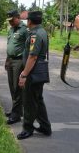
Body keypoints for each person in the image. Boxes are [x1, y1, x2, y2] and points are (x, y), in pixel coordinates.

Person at [17, 11, 52, 140]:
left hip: (32, 73)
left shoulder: (35, 35)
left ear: (30, 21)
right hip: (38, 73)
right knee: (38, 99)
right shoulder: (42, 31)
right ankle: (45, 126)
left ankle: (27, 128)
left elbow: (33, 56)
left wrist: (24, 74)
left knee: (29, 101)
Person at [5, 10, 28, 125]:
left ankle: (16, 114)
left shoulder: (24, 30)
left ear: (18, 17)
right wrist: (7, 59)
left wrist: (25, 64)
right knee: (11, 86)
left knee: (17, 87)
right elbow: (10, 46)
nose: (10, 22)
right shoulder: (11, 29)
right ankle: (17, 110)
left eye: (12, 20)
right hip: (10, 60)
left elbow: (29, 47)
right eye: (9, 21)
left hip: (19, 61)